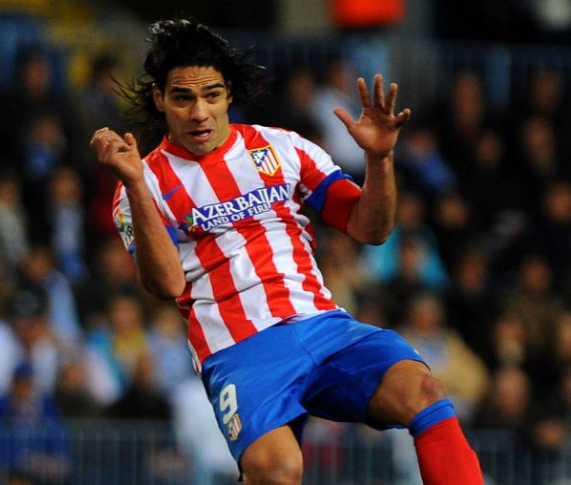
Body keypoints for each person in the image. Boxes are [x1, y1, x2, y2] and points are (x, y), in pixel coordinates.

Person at [90, 18, 483, 484]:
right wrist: (133, 183)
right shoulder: (143, 181)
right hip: (239, 350)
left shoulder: (282, 147)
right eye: (183, 97)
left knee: (425, 391)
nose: (199, 112)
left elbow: (368, 227)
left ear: (229, 93)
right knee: (277, 470)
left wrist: (379, 160)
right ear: (160, 99)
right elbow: (166, 284)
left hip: (324, 327)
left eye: (211, 95)